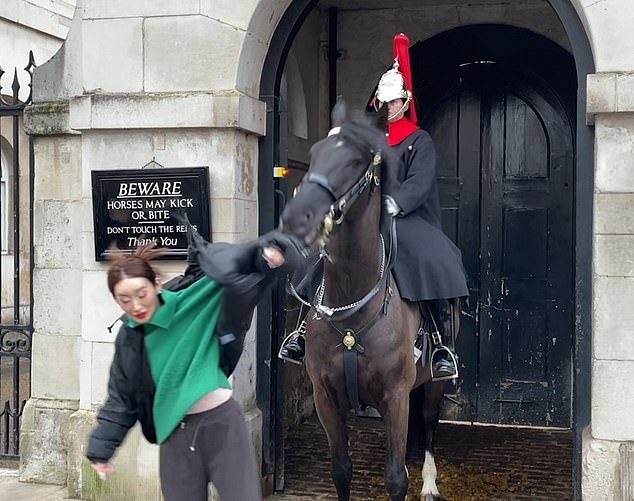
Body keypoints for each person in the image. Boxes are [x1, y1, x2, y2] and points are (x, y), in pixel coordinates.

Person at [280, 33, 469, 381]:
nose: (388, 108)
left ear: (405, 101)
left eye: (394, 102)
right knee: (321, 251)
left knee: (431, 255)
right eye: (383, 102)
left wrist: (398, 203)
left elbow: (420, 181)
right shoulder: (368, 142)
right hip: (364, 216)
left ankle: (442, 344)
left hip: (407, 216)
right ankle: (301, 331)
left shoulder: (419, 139)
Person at [86, 222, 303, 501]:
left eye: (142, 294)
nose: (136, 306)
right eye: (125, 300)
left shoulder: (194, 298)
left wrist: (270, 258)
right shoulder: (130, 339)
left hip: (222, 425)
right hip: (175, 436)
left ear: (157, 284)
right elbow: (121, 397)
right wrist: (101, 448)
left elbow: (240, 272)